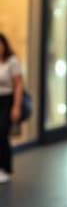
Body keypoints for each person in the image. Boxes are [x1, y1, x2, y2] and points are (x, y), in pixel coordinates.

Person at [0, 33, 24, 183]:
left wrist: (16, 107)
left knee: (2, 133)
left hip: (7, 101)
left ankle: (5, 168)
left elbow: (18, 85)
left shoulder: (12, 62)